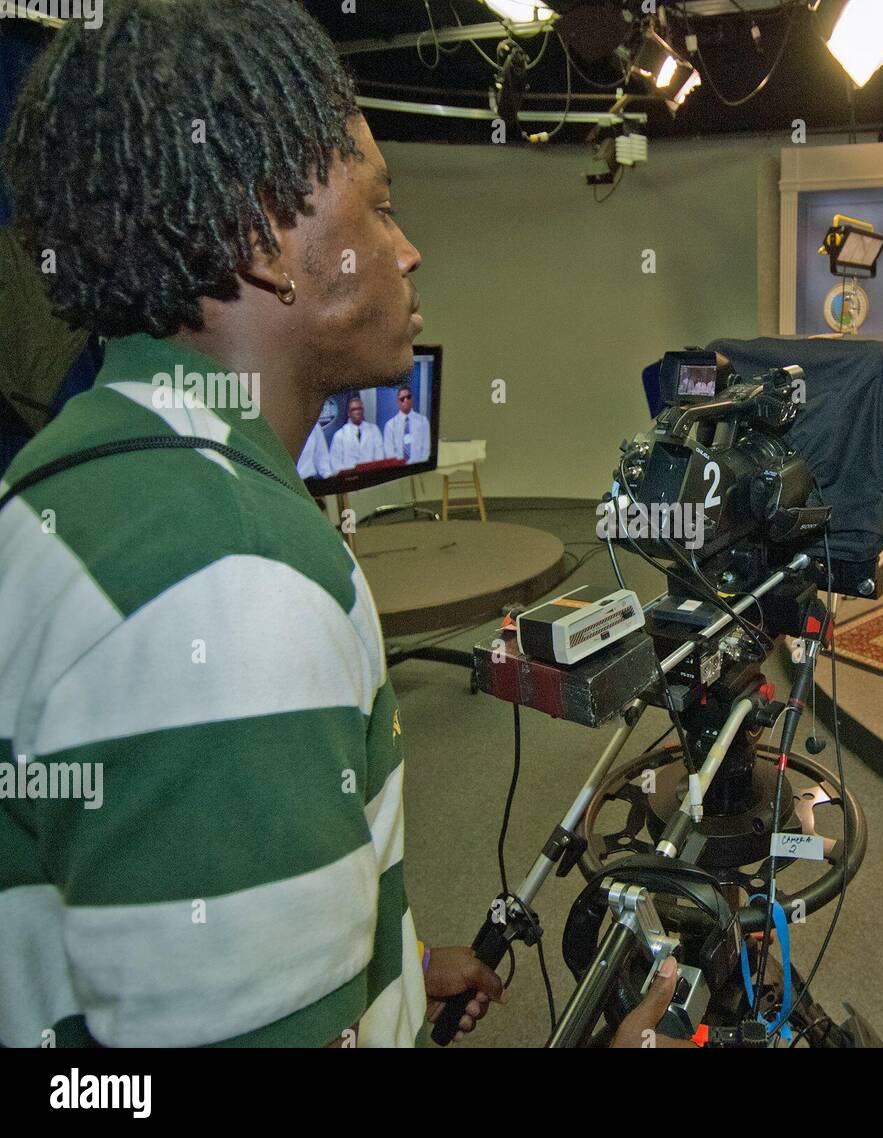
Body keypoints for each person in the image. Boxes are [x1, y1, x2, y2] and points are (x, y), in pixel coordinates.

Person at [0, 0, 665, 1049]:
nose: (407, 253)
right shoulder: (232, 574)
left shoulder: (91, 472)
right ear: (263, 233)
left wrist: (381, 974)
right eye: (380, 206)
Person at [328, 395, 384, 470]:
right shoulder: (339, 435)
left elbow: (379, 456)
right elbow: (335, 462)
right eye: (354, 409)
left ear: (363, 410)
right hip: (349, 478)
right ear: (348, 413)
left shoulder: (374, 430)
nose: (357, 412)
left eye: (359, 409)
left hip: (371, 475)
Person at [382, 384, 432, 463]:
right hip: (398, 470)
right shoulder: (390, 425)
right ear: (397, 402)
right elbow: (389, 453)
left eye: (408, 397)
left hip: (419, 467)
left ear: (412, 399)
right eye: (402, 399)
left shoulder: (423, 421)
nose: (406, 400)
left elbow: (426, 449)